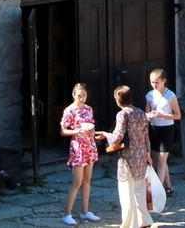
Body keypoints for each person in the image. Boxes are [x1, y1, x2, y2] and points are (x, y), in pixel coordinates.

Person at [101, 86, 151, 228]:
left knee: (127, 192)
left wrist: (105, 135)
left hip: (128, 158)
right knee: (139, 190)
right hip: (141, 155)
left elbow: (117, 137)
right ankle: (144, 221)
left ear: (118, 100)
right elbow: (146, 136)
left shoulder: (123, 114)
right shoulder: (140, 112)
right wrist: (148, 154)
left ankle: (130, 224)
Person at [59, 84, 100, 225]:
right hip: (78, 147)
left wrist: (92, 132)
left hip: (89, 145)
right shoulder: (69, 110)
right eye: (79, 96)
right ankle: (67, 214)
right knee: (77, 181)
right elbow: (63, 130)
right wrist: (76, 131)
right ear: (73, 95)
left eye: (84, 96)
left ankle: (85, 211)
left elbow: (91, 125)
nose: (81, 98)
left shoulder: (89, 109)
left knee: (87, 180)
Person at [144, 69, 180, 195]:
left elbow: (177, 115)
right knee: (158, 160)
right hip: (154, 129)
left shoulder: (170, 96)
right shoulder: (150, 95)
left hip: (167, 129)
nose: (154, 85)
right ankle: (169, 186)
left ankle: (157, 193)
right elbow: (146, 112)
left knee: (161, 161)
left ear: (164, 81)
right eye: (152, 82)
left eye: (156, 82)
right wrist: (149, 116)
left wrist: (162, 115)